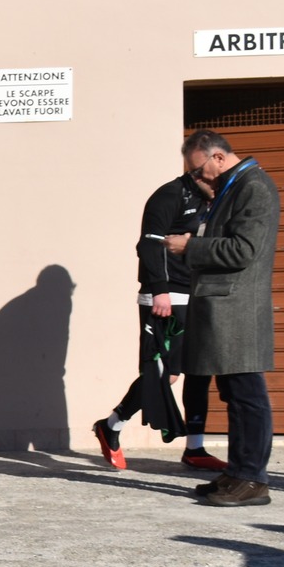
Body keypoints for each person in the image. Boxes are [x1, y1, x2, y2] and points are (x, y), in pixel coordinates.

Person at [169, 130, 282, 506]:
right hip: (224, 307)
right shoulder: (232, 188)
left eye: (199, 170)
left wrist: (190, 246)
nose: (198, 179)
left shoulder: (254, 188)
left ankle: (252, 478)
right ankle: (237, 472)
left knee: (248, 395)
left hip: (239, 309)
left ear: (217, 157)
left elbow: (243, 250)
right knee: (235, 395)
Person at [90, 162, 220, 473]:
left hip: (199, 293)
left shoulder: (214, 199)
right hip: (165, 296)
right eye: (213, 177)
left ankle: (195, 448)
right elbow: (148, 246)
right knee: (166, 374)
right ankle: (112, 425)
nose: (218, 183)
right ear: (197, 169)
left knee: (200, 370)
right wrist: (159, 290)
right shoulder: (169, 196)